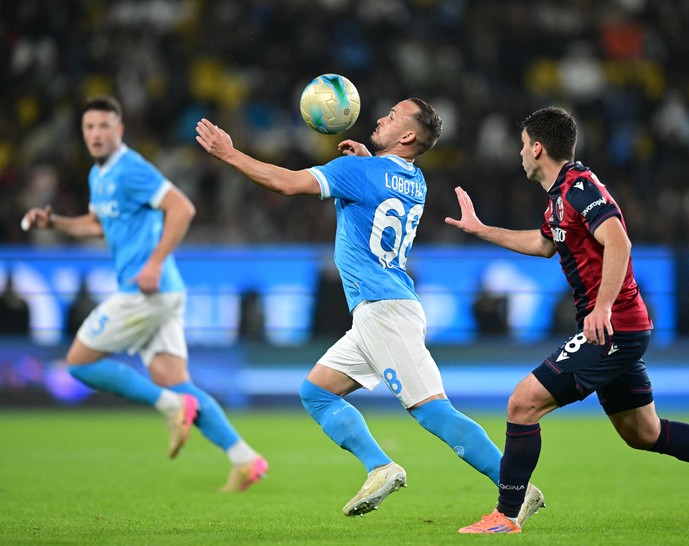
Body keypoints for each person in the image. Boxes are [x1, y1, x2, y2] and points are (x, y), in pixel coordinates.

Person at [195, 98, 545, 520]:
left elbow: (287, 184)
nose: (381, 117)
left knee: (433, 410)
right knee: (317, 393)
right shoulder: (414, 179)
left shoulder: (360, 173)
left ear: (408, 135)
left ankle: (518, 489)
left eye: (393, 116)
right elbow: (380, 189)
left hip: (384, 311)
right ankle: (381, 466)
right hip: (377, 310)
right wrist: (367, 159)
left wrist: (228, 153)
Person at [447, 106, 689, 533]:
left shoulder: (579, 188)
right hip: (618, 326)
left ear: (537, 148)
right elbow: (543, 244)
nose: (518, 154)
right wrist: (481, 230)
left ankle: (506, 514)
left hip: (613, 325)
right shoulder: (558, 199)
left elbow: (618, 241)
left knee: (522, 403)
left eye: (522, 145)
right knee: (644, 432)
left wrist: (603, 306)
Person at [22, 96, 267, 492]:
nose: (97, 134)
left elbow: (181, 208)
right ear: (83, 133)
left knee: (80, 363)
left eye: (104, 126)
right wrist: (55, 222)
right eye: (89, 127)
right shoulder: (98, 176)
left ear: (119, 130)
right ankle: (245, 459)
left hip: (147, 289)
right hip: (162, 293)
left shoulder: (131, 167)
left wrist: (153, 262)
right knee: (175, 381)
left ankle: (171, 407)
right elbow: (98, 224)